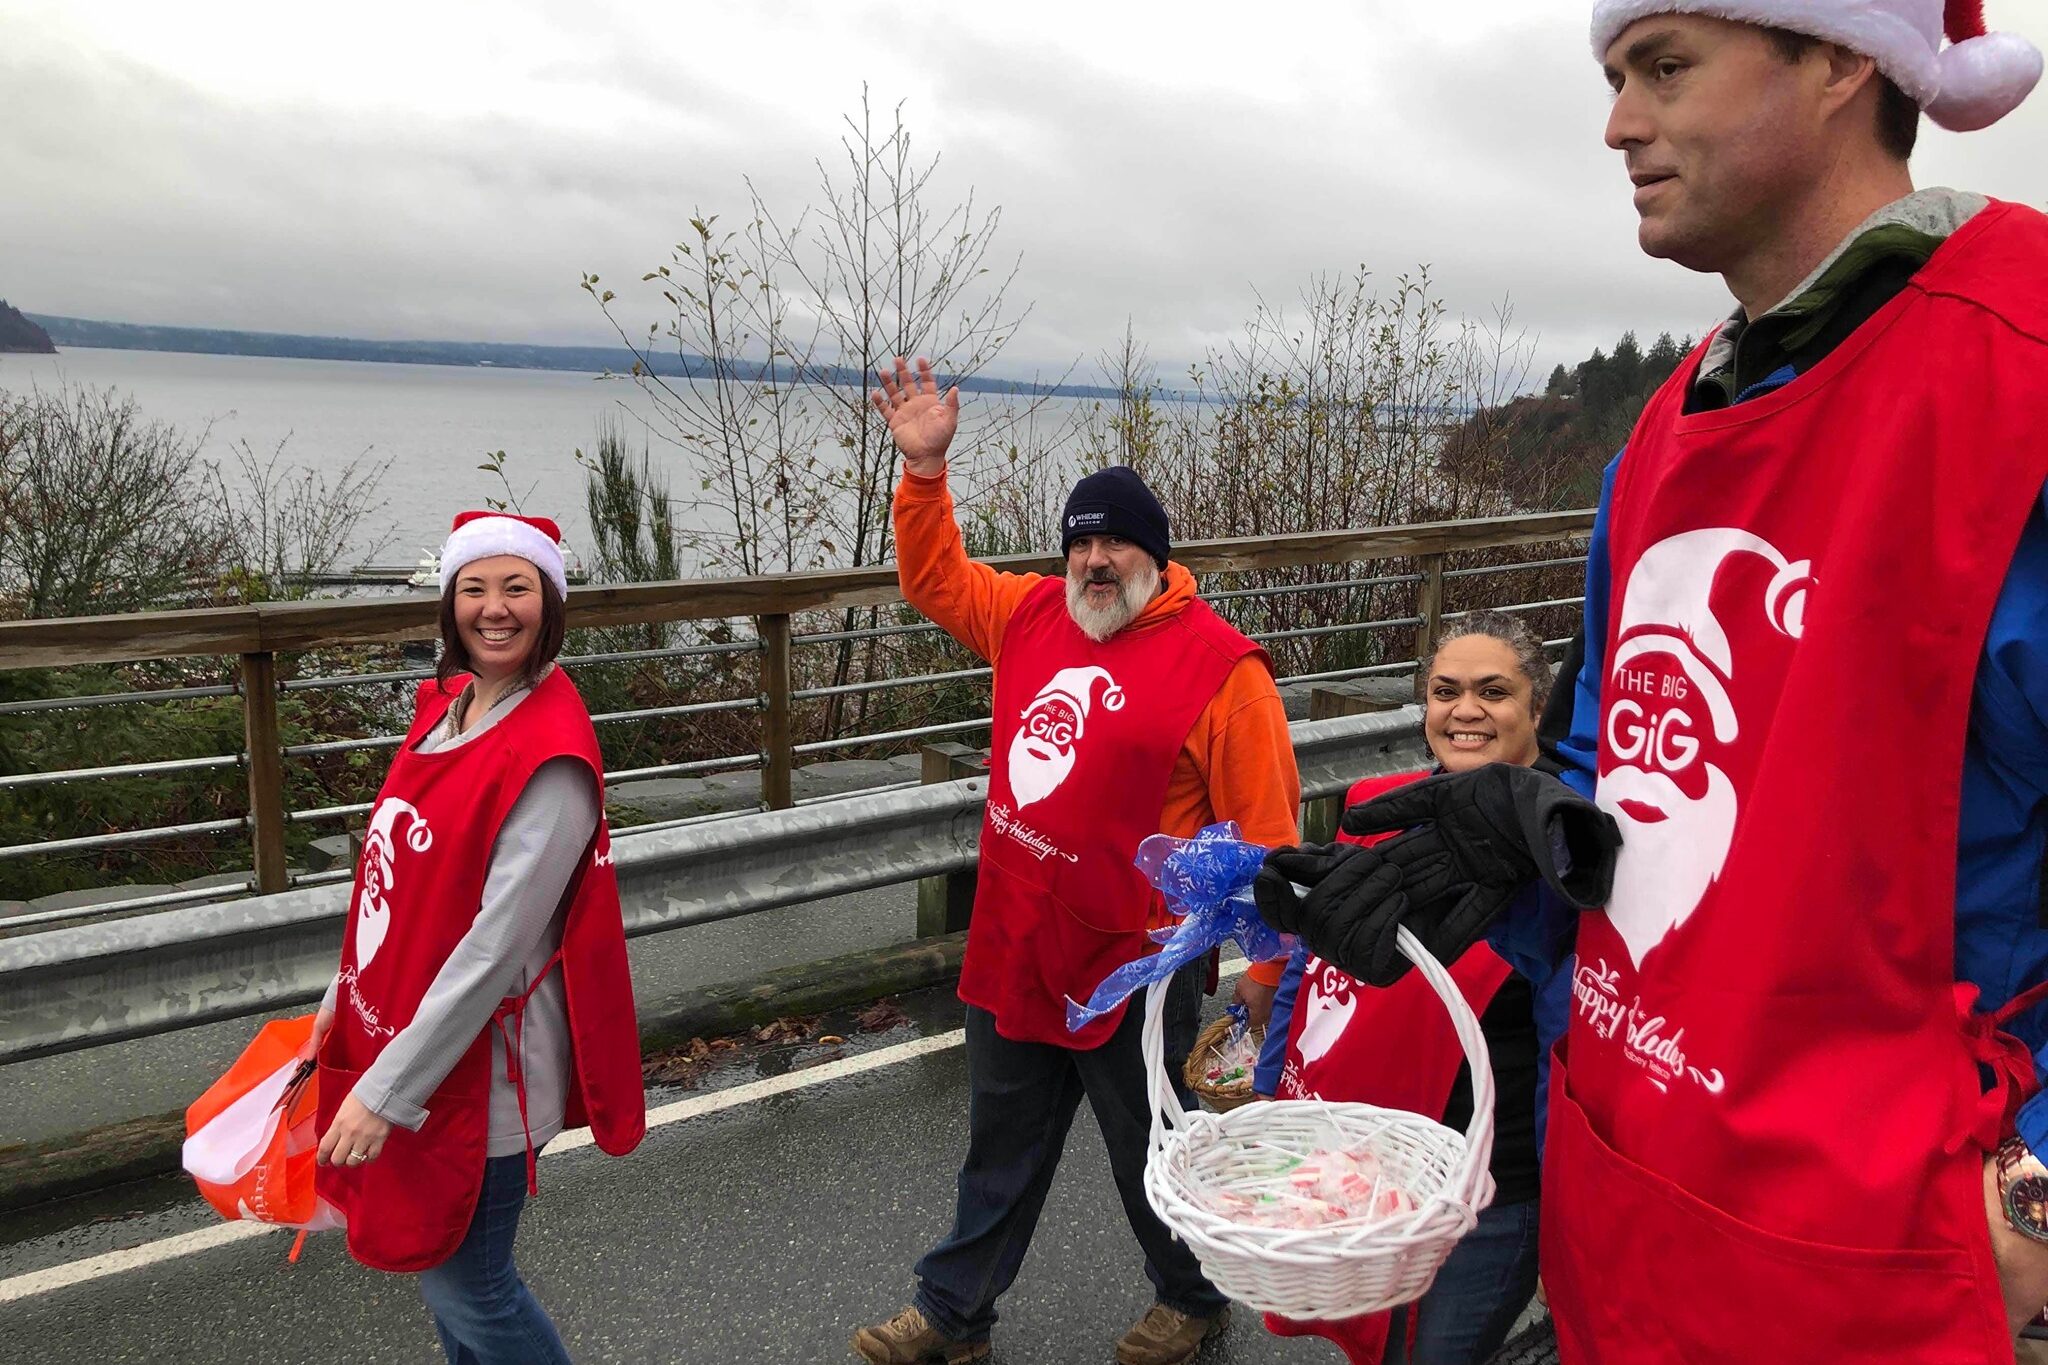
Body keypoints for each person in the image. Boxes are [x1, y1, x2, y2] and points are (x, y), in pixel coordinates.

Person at [1259, 3, 2048, 1360]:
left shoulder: (2012, 372)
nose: (1620, 122)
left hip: (1878, 1279)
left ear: (1847, 59)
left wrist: (2033, 1199)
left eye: (1666, 68)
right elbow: (1613, 774)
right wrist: (1515, 841)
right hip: (1630, 1232)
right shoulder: (1672, 429)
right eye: (1619, 75)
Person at [852, 357, 1302, 1365]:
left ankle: (1191, 1298)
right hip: (1015, 939)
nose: (1093, 559)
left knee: (1148, 1144)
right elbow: (931, 580)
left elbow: (1265, 838)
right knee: (998, 1147)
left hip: (1132, 968)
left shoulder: (1223, 673)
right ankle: (952, 1313)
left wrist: (1262, 983)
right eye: (1081, 541)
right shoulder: (1029, 616)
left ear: (1153, 555)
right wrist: (923, 476)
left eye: (1114, 542)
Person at [311, 510, 646, 1364]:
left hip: (484, 1076)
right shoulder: (449, 708)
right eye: (474, 588)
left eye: (517, 587)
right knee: (451, 1291)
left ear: (551, 603)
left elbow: (493, 949)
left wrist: (385, 1091)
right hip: (416, 1044)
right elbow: (394, 877)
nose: (494, 609)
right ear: (450, 603)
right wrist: (336, 1000)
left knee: (470, 1285)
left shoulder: (552, 759)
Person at [1253, 612, 1559, 1364]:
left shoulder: (1569, 847)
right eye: (1446, 690)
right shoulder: (1380, 812)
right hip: (1378, 1169)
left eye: (1495, 691)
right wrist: (1270, 1092)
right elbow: (1310, 966)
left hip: (1493, 1187)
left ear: (1539, 708)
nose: (1465, 710)